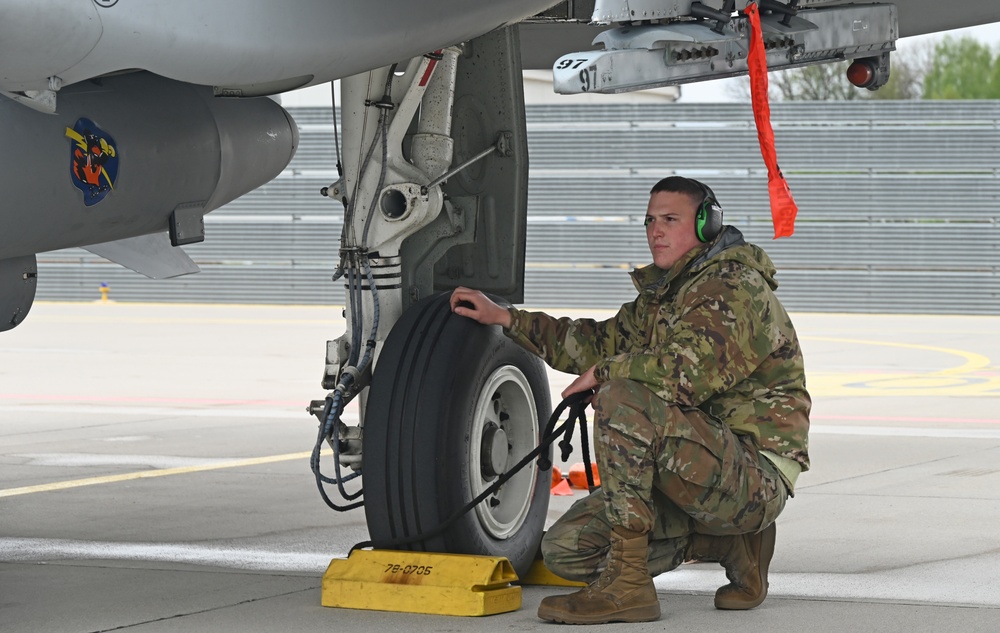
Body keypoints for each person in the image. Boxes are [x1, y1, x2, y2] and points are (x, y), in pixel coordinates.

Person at [449, 176, 810, 625]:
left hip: (753, 476)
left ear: (706, 224)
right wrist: (506, 318)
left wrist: (604, 374)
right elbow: (596, 341)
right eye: (650, 221)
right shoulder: (665, 295)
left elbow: (684, 373)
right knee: (566, 552)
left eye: (670, 220)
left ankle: (629, 587)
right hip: (690, 468)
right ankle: (729, 542)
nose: (656, 231)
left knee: (621, 396)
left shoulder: (732, 288)